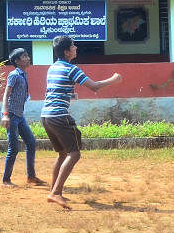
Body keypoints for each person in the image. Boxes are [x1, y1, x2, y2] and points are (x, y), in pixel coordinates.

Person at [41, 35, 122, 210]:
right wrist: (114, 79)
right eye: (73, 46)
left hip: (46, 116)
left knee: (62, 153)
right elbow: (94, 86)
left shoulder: (52, 68)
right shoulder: (72, 69)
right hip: (59, 116)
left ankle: (54, 191)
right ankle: (55, 193)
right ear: (67, 51)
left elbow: (58, 90)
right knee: (74, 154)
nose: (76, 48)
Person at [0, 48, 42, 187]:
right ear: (17, 61)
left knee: (31, 142)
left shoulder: (24, 74)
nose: (28, 58)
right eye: (24, 56)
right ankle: (6, 180)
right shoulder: (14, 75)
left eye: (27, 55)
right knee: (14, 147)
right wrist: (5, 115)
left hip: (19, 115)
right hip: (11, 115)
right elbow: (6, 95)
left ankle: (31, 177)